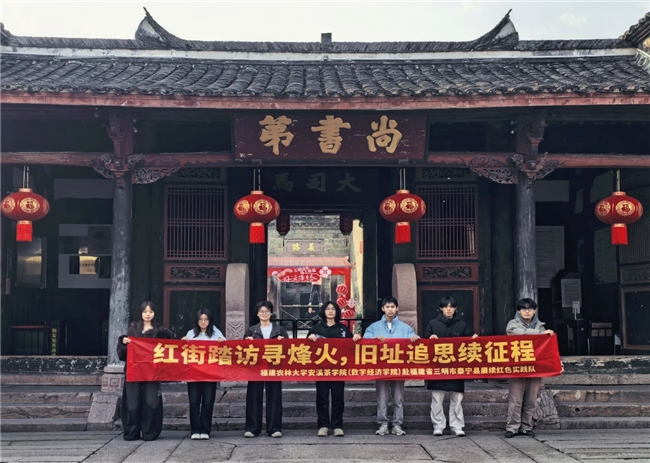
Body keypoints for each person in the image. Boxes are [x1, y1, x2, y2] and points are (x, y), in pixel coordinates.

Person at [363, 296, 420, 436]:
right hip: (381, 367)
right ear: (383, 309)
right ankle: (383, 423)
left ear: (397, 308)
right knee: (382, 397)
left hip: (399, 367)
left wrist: (415, 339)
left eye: (392, 307)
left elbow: (415, 342)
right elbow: (364, 342)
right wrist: (374, 340)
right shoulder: (373, 327)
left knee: (398, 397)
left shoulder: (405, 328)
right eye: (387, 307)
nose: (390, 309)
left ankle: (397, 424)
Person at [117, 301, 172, 441]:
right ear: (141, 313)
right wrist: (123, 342)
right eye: (145, 311)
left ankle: (149, 432)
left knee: (151, 401)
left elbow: (169, 349)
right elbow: (124, 353)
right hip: (134, 371)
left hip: (152, 372)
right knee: (132, 403)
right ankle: (132, 432)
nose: (148, 314)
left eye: (151, 312)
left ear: (155, 313)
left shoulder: (160, 331)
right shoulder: (133, 329)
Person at [424, 296, 478, 437]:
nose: (448, 309)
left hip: (456, 366)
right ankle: (438, 425)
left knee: (457, 398)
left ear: (455, 309)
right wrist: (430, 339)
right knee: (437, 397)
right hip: (437, 366)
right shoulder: (432, 324)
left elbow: (469, 345)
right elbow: (423, 346)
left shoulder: (462, 325)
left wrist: (474, 340)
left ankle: (457, 426)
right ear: (441, 308)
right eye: (445, 306)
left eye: (451, 307)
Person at [307, 301, 361, 437]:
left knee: (338, 397)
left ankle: (337, 425)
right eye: (327, 309)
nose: (330, 311)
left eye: (333, 309)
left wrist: (356, 337)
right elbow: (306, 349)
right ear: (323, 311)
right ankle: (323, 425)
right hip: (322, 369)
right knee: (322, 398)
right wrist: (310, 338)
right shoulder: (316, 329)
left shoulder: (343, 329)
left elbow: (351, 346)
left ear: (337, 312)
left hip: (338, 369)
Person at [504, 298, 555, 438]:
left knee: (531, 399)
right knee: (515, 398)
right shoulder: (512, 324)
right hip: (517, 366)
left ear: (534, 311)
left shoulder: (541, 327)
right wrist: (541, 334)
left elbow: (549, 349)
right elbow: (520, 333)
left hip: (535, 367)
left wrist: (557, 365)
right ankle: (512, 427)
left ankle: (526, 426)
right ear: (519, 311)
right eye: (524, 309)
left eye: (530, 309)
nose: (527, 312)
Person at [243, 301, 288, 438]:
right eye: (261, 311)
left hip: (273, 367)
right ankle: (252, 428)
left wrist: (284, 342)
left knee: (274, 397)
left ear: (271, 313)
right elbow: (242, 350)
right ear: (257, 314)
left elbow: (289, 349)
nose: (264, 314)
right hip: (256, 368)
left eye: (267, 311)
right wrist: (247, 343)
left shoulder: (280, 330)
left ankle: (274, 428)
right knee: (253, 397)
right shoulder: (251, 330)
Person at [181, 308, 225, 440]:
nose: (203, 322)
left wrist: (221, 341)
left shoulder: (215, 333)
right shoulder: (190, 333)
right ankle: (195, 429)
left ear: (210, 321)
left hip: (210, 374)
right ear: (197, 321)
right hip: (193, 374)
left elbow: (225, 346)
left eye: (206, 319)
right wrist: (183, 341)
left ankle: (205, 429)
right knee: (194, 401)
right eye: (200, 319)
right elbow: (182, 351)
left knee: (208, 402)